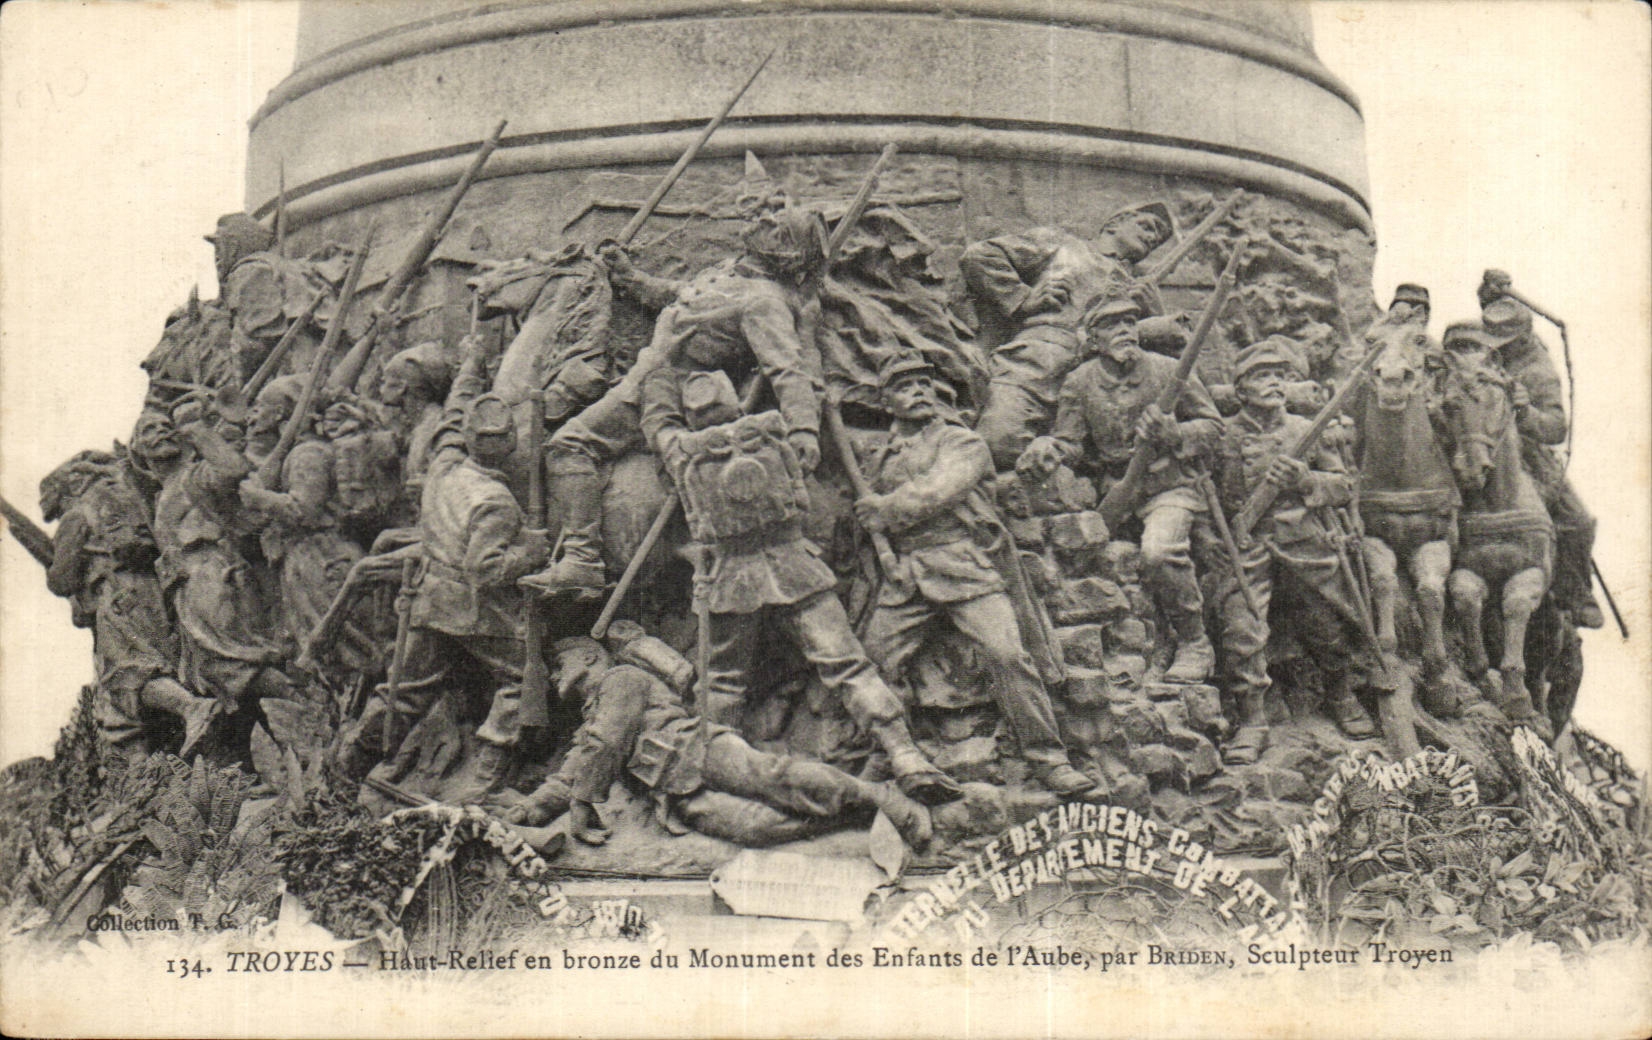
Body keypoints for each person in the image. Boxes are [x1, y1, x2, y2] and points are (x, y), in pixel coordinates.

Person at [641, 360, 961, 806]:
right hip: (795, 566)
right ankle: (905, 754)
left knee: (722, 683)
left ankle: (716, 768)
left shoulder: (682, 452)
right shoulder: (775, 434)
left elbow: (659, 422)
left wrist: (659, 366)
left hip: (732, 579)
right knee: (848, 666)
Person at [530, 206, 827, 594]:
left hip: (671, 392)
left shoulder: (763, 301)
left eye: (775, 226)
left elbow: (787, 369)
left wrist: (804, 429)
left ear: (785, 251)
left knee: (567, 444)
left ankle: (582, 559)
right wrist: (630, 277)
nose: (762, 219)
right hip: (650, 373)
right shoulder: (733, 270)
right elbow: (680, 295)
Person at [855, 354, 1101, 798]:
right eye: (905, 387)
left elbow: (940, 490)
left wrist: (885, 509)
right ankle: (890, 750)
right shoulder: (879, 457)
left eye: (924, 384)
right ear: (886, 401)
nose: (919, 392)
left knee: (1007, 654)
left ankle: (1049, 759)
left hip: (965, 565)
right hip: (907, 575)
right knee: (872, 658)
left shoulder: (962, 443)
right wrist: (876, 529)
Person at [504, 631, 933, 848]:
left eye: (558, 665)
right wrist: (531, 810)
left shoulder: (622, 678)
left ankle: (885, 799)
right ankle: (859, 815)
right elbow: (573, 772)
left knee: (776, 778)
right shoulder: (590, 718)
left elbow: (607, 742)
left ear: (590, 656)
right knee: (754, 828)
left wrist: (583, 803)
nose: (554, 677)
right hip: (673, 792)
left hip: (697, 749)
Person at [340, 390, 551, 800]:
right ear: (511, 443)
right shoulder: (496, 501)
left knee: (403, 693)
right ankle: (486, 776)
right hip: (472, 610)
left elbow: (449, 434)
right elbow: (485, 570)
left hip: (428, 599)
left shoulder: (442, 469)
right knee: (521, 678)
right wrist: (530, 552)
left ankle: (349, 766)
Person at [1017, 298, 1222, 684]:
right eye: (1112, 325)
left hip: (1169, 487)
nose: (1125, 330)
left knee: (1158, 553)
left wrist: (1174, 433)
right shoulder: (1079, 381)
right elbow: (1071, 443)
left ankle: (1195, 642)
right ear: (1094, 338)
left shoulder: (1168, 370)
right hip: (1117, 493)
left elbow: (1214, 428)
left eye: (1130, 321)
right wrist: (1049, 447)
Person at [1205, 338, 1381, 765]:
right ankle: (1252, 720)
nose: (1274, 384)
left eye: (1280, 376)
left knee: (1326, 619)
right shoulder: (1223, 435)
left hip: (1303, 541)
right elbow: (1201, 493)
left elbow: (1343, 486)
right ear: (1241, 389)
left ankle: (1341, 694)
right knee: (1241, 629)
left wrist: (1305, 479)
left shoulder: (1308, 429)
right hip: (1247, 545)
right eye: (1262, 376)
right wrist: (1209, 539)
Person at [961, 202, 1174, 470]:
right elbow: (980, 255)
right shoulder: (1064, 245)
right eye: (1146, 226)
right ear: (1113, 224)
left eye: (1156, 239)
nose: (1152, 238)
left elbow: (1168, 368)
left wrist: (1156, 312)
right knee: (997, 444)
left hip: (1097, 387)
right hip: (1037, 364)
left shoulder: (1140, 288)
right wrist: (1022, 297)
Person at [41, 450, 217, 755]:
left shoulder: (77, 516)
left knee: (127, 672)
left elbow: (62, 580)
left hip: (117, 597)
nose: (59, 513)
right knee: (161, 662)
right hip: (151, 589)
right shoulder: (125, 502)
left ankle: (192, 708)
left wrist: (50, 563)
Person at [1479, 291, 1603, 629]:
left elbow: (1556, 427)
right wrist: (1490, 290)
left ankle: (1575, 594)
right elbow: (1492, 307)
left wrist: (1525, 412)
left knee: (1578, 521)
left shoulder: (1539, 369)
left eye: (1506, 343)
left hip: (1527, 456)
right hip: (1477, 443)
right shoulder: (1486, 349)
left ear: (1522, 337)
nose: (1499, 348)